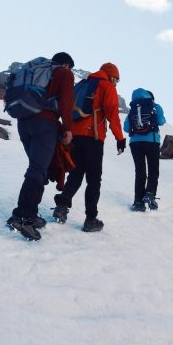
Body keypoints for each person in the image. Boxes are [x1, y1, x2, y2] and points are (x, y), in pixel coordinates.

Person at [7, 52, 75, 241]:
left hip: (24, 123)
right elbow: (66, 102)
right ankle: (23, 217)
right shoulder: (64, 73)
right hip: (44, 123)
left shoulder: (36, 71)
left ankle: (28, 212)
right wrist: (68, 129)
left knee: (38, 169)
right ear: (67, 64)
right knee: (38, 169)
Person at [52, 63, 126, 232]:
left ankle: (62, 207)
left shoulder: (82, 84)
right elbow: (112, 114)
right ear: (111, 76)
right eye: (116, 79)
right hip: (93, 137)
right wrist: (120, 138)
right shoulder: (106, 86)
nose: (115, 83)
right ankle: (90, 219)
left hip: (74, 136)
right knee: (94, 179)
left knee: (76, 174)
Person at [124, 88, 166, 211]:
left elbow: (126, 128)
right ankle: (150, 194)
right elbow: (161, 121)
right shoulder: (154, 106)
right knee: (153, 170)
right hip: (152, 141)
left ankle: (138, 202)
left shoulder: (132, 109)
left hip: (135, 143)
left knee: (140, 172)